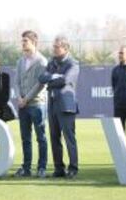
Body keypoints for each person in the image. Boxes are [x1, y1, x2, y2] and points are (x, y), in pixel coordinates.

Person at [39, 36, 80, 178]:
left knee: (69, 138)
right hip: (52, 105)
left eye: (57, 47)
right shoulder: (51, 62)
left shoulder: (73, 64)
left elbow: (65, 81)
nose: (54, 49)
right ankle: (59, 169)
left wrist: (51, 79)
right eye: (54, 46)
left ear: (65, 48)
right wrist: (53, 77)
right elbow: (41, 78)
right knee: (54, 137)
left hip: (66, 106)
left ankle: (73, 168)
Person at [13, 30, 48, 178]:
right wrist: (20, 97)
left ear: (34, 42)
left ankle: (41, 167)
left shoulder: (42, 61)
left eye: (25, 41)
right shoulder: (20, 61)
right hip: (23, 105)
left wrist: (26, 98)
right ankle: (26, 168)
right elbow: (17, 81)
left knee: (41, 137)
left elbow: (40, 84)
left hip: (37, 104)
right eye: (22, 41)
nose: (22, 43)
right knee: (25, 138)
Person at [111, 46, 126, 139]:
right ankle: (122, 154)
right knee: (119, 135)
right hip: (119, 106)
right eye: (119, 53)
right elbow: (114, 86)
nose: (120, 55)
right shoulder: (115, 70)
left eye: (122, 53)